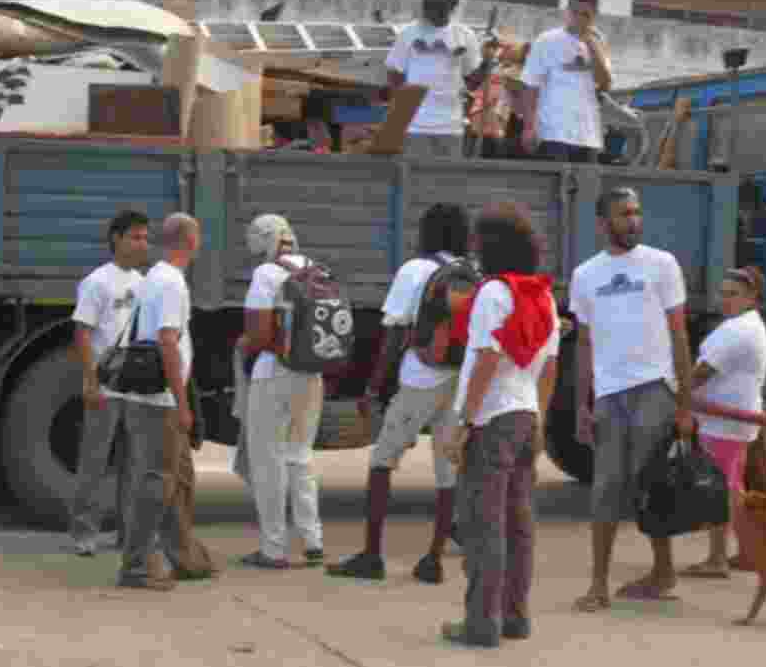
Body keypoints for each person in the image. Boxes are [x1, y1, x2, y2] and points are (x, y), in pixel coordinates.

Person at [326, 203, 471, 584]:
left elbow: (393, 334)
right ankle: (433, 559)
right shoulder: (474, 273)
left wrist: (373, 388)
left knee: (382, 461)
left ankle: (372, 555)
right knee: (447, 470)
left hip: (419, 379)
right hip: (459, 380)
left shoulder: (415, 270)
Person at [569, 186, 694, 612]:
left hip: (655, 390)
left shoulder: (662, 265)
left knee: (652, 486)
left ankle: (663, 571)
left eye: (638, 212)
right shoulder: (585, 275)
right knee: (605, 488)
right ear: (603, 224)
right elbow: (583, 344)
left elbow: (679, 334)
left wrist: (685, 403)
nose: (634, 221)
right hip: (608, 395)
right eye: (624, 214)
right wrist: (582, 404)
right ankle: (598, 584)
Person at [440, 202, 560, 647]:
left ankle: (480, 624)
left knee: (484, 524)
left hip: (492, 419)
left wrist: (465, 422)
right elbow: (550, 367)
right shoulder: (543, 294)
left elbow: (487, 357)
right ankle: (515, 616)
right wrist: (542, 418)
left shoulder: (494, 293)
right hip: (527, 415)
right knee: (519, 524)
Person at [116, 212, 203, 590]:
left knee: (179, 477)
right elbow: (167, 342)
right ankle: (135, 566)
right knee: (159, 481)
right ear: (191, 241)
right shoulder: (171, 283)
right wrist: (183, 405)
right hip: (161, 400)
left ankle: (186, 557)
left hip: (155, 397)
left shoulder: (157, 277)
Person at [238, 214, 324, 569]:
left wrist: (242, 345)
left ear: (263, 240)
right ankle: (313, 540)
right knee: (300, 456)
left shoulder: (265, 274)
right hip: (311, 375)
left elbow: (257, 336)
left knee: (268, 462)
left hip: (273, 374)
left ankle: (273, 549)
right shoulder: (313, 267)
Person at [680, 266, 766, 579]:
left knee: (721, 490)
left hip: (724, 423)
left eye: (733, 294)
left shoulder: (738, 330)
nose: (725, 299)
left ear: (752, 298)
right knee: (732, 488)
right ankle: (746, 551)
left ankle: (718, 558)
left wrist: (677, 397)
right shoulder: (746, 325)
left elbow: (703, 372)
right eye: (723, 293)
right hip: (729, 422)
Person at [69, 210, 149, 556]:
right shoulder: (97, 282)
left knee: (134, 464)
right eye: (136, 237)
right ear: (116, 239)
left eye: (146, 237)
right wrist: (90, 380)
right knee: (95, 462)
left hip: (136, 386)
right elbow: (83, 333)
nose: (143, 244)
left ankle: (127, 532)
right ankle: (84, 534)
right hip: (105, 383)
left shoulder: (143, 283)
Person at [386, 0, 494, 159]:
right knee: (414, 185)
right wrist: (402, 119)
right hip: (415, 128)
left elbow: (472, 82)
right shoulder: (407, 34)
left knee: (444, 185)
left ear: (453, 1)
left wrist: (487, 62)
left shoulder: (465, 36)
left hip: (450, 129)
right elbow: (394, 78)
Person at [520, 0, 613, 164]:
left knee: (585, 189)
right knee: (553, 189)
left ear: (595, 15)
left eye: (585, 15)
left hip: (587, 136)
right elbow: (531, 85)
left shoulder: (598, 44)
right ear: (567, 10)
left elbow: (605, 83)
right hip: (552, 134)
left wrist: (590, 43)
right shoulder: (546, 40)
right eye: (574, 12)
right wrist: (529, 127)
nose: (578, 19)